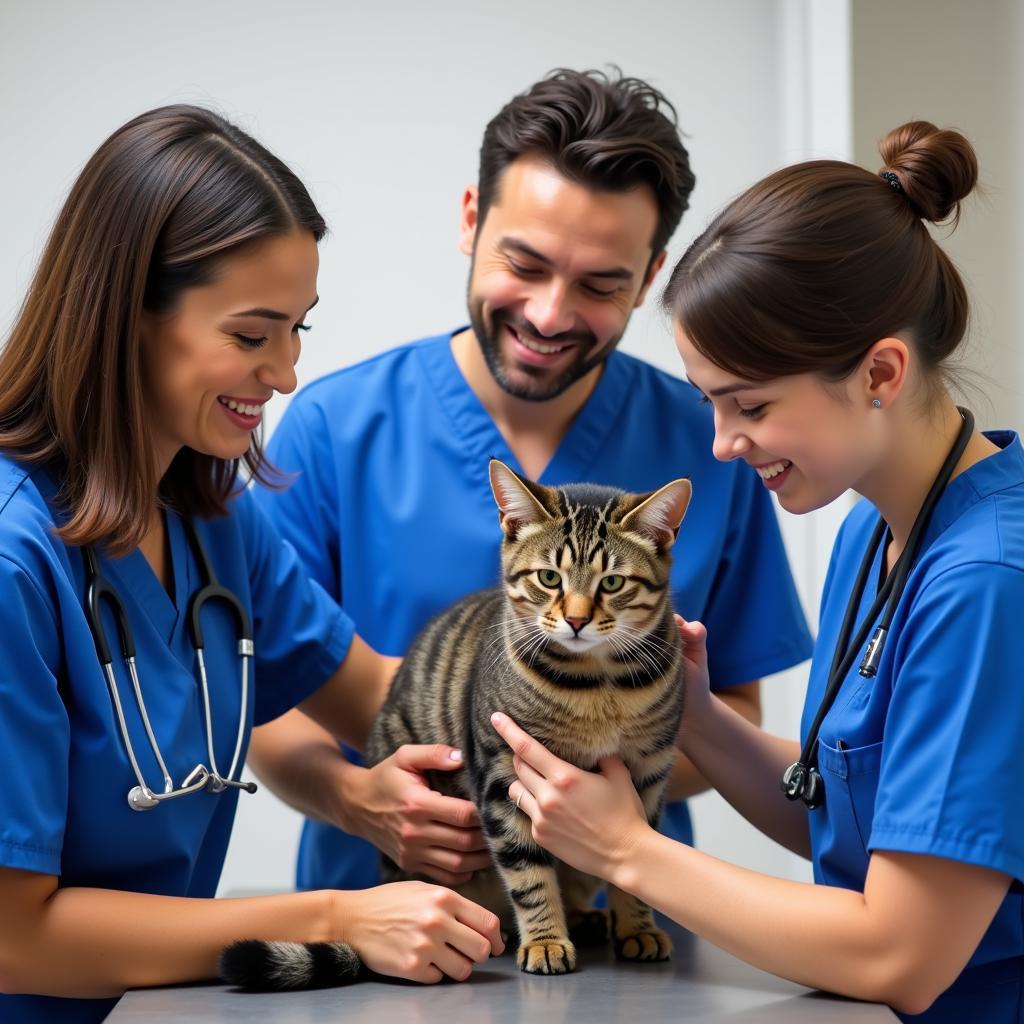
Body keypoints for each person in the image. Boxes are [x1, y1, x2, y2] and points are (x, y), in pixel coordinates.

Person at [491, 121, 1024, 1020]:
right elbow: (852, 812)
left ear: (881, 373)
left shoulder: (987, 580)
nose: (722, 445)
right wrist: (694, 717)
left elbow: (903, 953)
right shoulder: (877, 529)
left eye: (752, 405)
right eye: (710, 401)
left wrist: (627, 852)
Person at [248, 68, 813, 892]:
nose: (550, 316)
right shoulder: (333, 429)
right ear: (472, 221)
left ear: (650, 278)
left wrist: (598, 799)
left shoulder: (712, 444)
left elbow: (736, 712)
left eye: (600, 285)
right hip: (383, 927)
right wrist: (358, 801)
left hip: (614, 932)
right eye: (526, 263)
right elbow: (265, 705)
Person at [0, 105, 503, 1024]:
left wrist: (609, 719)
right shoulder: (12, 561)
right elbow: (13, 937)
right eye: (250, 334)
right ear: (128, 317)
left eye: (298, 328)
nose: (286, 373)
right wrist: (337, 916)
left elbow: (380, 700)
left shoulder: (214, 518)